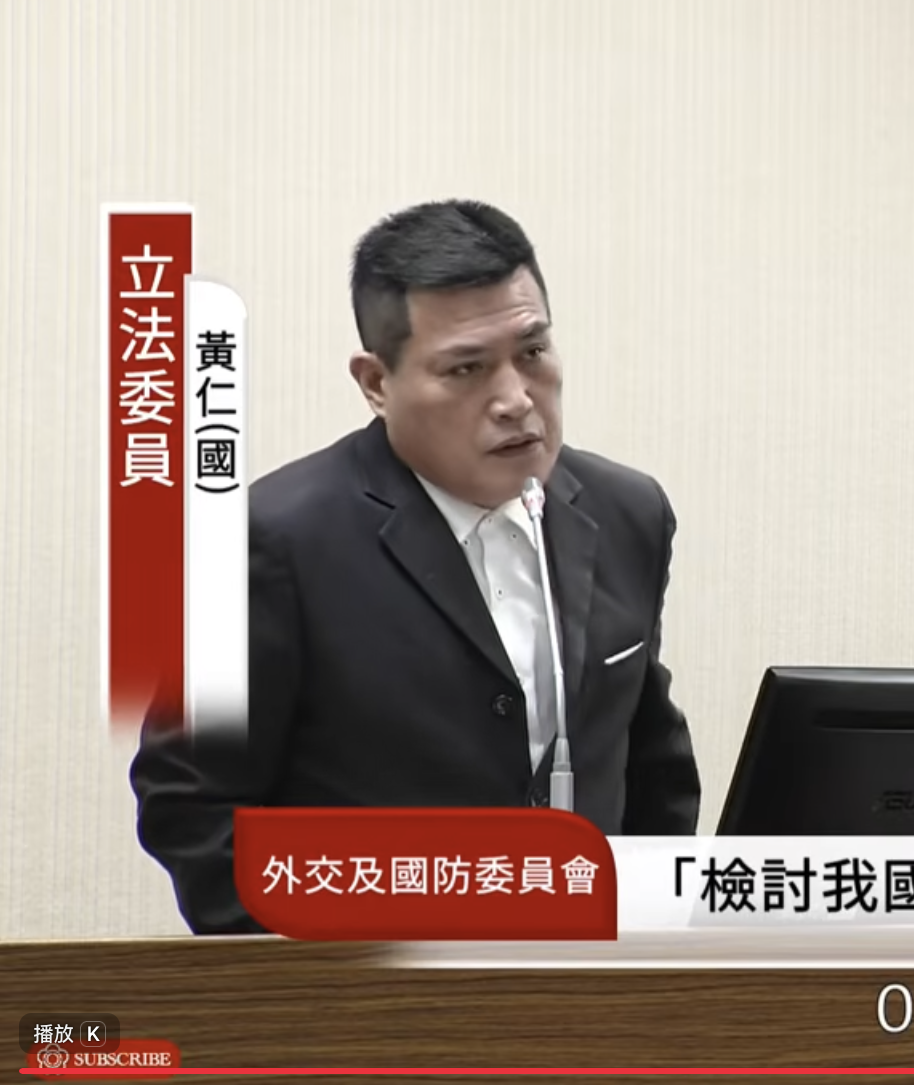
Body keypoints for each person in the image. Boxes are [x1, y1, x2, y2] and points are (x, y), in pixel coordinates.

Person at [131, 201, 701, 933]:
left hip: (578, 977)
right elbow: (190, 800)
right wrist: (315, 976)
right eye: (466, 368)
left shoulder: (628, 513)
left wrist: (643, 944)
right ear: (376, 382)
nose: (515, 400)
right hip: (364, 981)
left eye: (532, 352)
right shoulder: (267, 542)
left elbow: (650, 762)